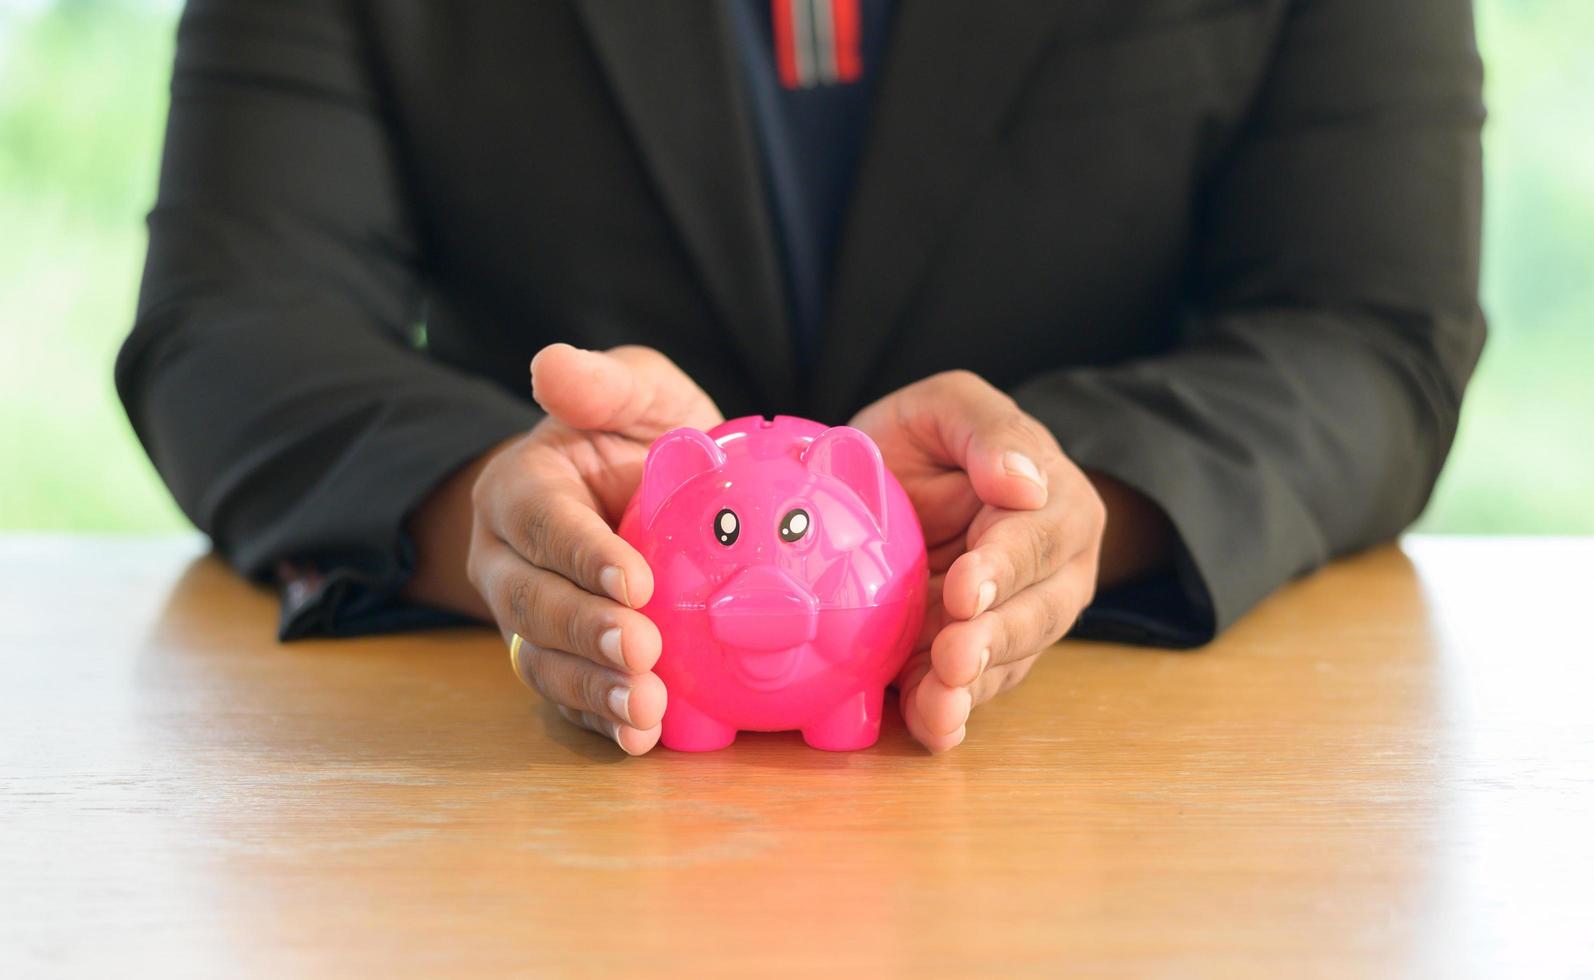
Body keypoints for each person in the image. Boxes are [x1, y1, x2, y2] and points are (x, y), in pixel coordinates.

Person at [116, 0, 1486, 754]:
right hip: (531, 813)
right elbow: (226, 326)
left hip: (1098, 826)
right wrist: (501, 517)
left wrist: (1064, 513)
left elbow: (1370, 327)